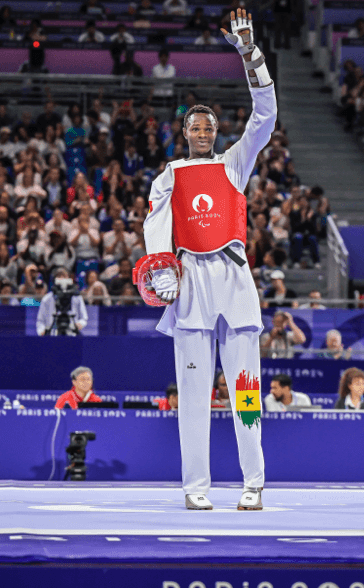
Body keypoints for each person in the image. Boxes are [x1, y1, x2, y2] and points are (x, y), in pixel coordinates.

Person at [141, 9, 275, 511]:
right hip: (190, 282)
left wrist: (249, 53)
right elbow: (155, 227)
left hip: (234, 280)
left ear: (217, 132)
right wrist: (161, 271)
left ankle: (253, 484)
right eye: (195, 126)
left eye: (209, 126)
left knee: (245, 392)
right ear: (184, 132)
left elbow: (266, 115)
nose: (203, 131)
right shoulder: (170, 174)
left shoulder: (235, 163)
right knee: (193, 398)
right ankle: (196, 489)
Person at [36, 268, 89, 336]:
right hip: (53, 334)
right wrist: (42, 331)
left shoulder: (77, 297)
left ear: (69, 279)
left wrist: (80, 324)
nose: (61, 279)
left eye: (64, 276)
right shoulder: (47, 299)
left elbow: (84, 317)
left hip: (72, 333)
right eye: (59, 276)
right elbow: (40, 321)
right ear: (54, 280)